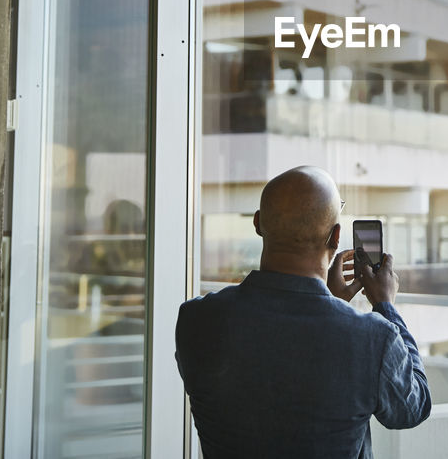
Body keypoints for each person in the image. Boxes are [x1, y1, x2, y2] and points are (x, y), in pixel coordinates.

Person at [176, 165, 431, 458]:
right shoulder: (373, 338)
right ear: (336, 237)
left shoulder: (195, 320)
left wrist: (329, 305)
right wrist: (385, 305)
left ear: (258, 223)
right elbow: (412, 408)